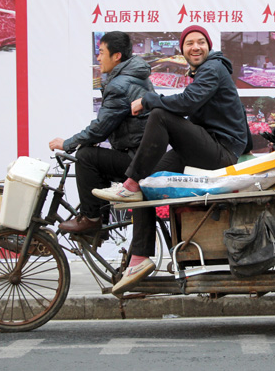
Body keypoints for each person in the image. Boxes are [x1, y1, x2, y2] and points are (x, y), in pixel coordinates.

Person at [92, 25, 251, 294]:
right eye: (189, 43)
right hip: (208, 146)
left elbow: (188, 102)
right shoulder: (203, 71)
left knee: (159, 114)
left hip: (221, 151)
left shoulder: (214, 68)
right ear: (182, 50)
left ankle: (129, 183)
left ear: (209, 46)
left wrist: (149, 99)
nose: (196, 47)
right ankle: (140, 258)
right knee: (145, 180)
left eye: (201, 42)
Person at [48, 31, 154, 235]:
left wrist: (68, 143)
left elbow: (100, 129)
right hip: (142, 156)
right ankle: (100, 223)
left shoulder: (120, 85)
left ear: (117, 56)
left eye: (101, 52)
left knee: (85, 156)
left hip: (137, 160)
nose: (97, 57)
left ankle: (91, 219)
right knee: (96, 155)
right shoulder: (134, 76)